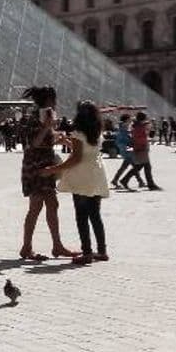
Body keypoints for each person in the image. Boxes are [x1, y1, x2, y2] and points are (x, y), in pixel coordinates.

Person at [43, 101, 111, 264]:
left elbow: (76, 158)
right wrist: (68, 142)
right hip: (97, 172)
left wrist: (52, 169)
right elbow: (85, 149)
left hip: (82, 174)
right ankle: (102, 251)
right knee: (95, 214)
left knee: (81, 215)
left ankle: (86, 252)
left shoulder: (79, 133)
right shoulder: (96, 131)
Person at [18, 86, 76, 261]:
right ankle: (30, 247)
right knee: (37, 206)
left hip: (44, 163)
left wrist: (57, 136)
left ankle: (53, 245)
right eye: (54, 98)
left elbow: (45, 138)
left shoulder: (46, 114)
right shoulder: (35, 117)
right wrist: (47, 127)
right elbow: (34, 142)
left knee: (50, 204)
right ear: (48, 99)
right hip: (36, 166)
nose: (56, 102)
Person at [122, 112, 161, 190]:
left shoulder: (137, 126)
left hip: (140, 148)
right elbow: (140, 138)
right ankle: (151, 184)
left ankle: (125, 180)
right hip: (141, 148)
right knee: (145, 166)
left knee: (140, 166)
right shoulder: (138, 127)